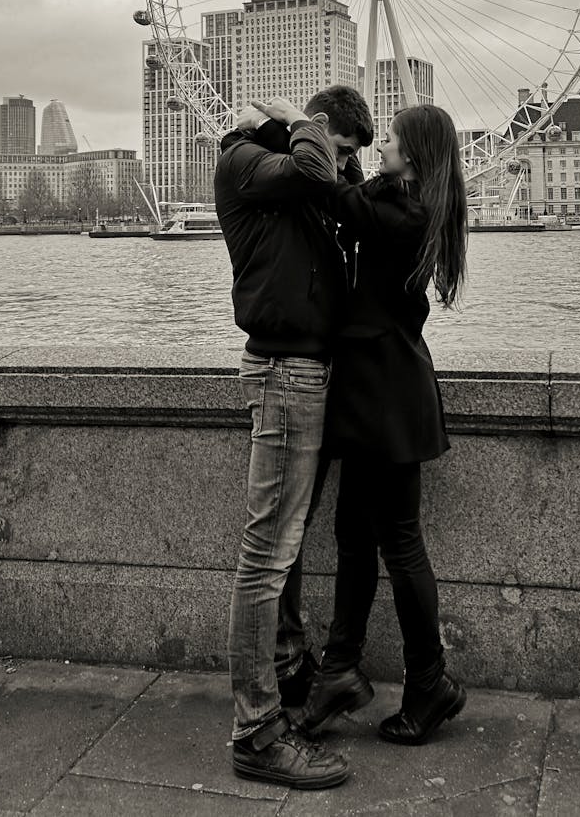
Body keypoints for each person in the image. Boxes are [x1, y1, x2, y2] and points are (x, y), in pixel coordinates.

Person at [291, 102, 470, 746]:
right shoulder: (406, 204)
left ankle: (428, 681)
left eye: (391, 141)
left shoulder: (406, 213)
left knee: (397, 542)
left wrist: (305, 128)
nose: (382, 148)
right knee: (354, 536)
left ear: (416, 156)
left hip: (386, 394)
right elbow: (358, 193)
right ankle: (343, 670)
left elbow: (337, 194)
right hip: (378, 390)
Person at [215, 84, 373, 790]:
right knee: (265, 555)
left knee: (284, 547)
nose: (341, 168)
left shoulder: (298, 174)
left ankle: (286, 668)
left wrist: (336, 150)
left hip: (309, 371)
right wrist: (303, 123)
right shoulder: (247, 163)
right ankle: (255, 730)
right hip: (283, 373)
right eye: (342, 150)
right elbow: (315, 170)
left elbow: (342, 195)